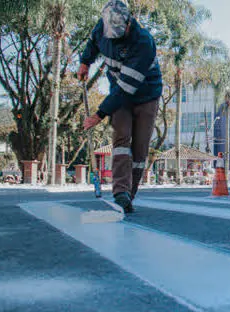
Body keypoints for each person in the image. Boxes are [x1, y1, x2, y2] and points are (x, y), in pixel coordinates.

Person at [78, 0, 163, 213]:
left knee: (139, 149)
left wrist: (98, 115)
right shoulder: (102, 27)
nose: (114, 39)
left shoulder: (143, 41)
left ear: (128, 22)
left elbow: (126, 89)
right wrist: (85, 62)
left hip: (146, 95)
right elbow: (92, 43)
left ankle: (128, 197)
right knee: (121, 139)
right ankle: (120, 193)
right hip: (119, 92)